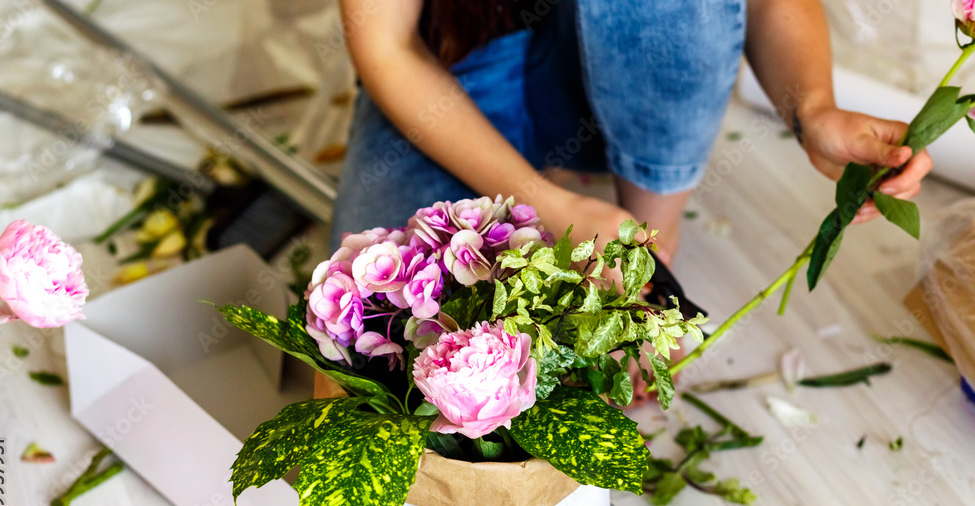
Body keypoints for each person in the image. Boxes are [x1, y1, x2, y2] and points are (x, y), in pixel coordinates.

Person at [331, 0, 932, 264]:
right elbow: (385, 44)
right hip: (446, 62)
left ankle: (648, 247)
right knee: (388, 321)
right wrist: (552, 205)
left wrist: (815, 111)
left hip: (608, 61)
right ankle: (589, 222)